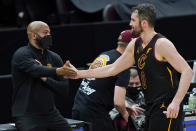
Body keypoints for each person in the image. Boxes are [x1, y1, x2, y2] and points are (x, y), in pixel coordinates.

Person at [68, 3, 194, 131]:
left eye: (133, 20)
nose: (130, 23)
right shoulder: (134, 44)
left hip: (166, 107)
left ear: (144, 23)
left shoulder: (162, 44)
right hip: (150, 106)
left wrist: (176, 103)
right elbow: (113, 68)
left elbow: (187, 71)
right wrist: (79, 73)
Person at [72, 29, 143, 131]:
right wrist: (125, 114)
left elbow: (100, 86)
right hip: (95, 113)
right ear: (133, 46)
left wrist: (125, 105)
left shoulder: (105, 55)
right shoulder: (123, 66)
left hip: (78, 107)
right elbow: (118, 102)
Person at [11, 21, 76, 131]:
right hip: (27, 115)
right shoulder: (21, 54)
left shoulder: (55, 57)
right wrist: (58, 71)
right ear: (33, 35)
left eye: (49, 33)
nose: (48, 36)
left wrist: (45, 78)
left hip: (51, 114)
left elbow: (64, 89)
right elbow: (36, 70)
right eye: (45, 33)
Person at [110, 67, 145, 131]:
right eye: (131, 84)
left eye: (137, 83)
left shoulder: (145, 97)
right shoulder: (118, 99)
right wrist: (127, 111)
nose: (134, 86)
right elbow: (111, 117)